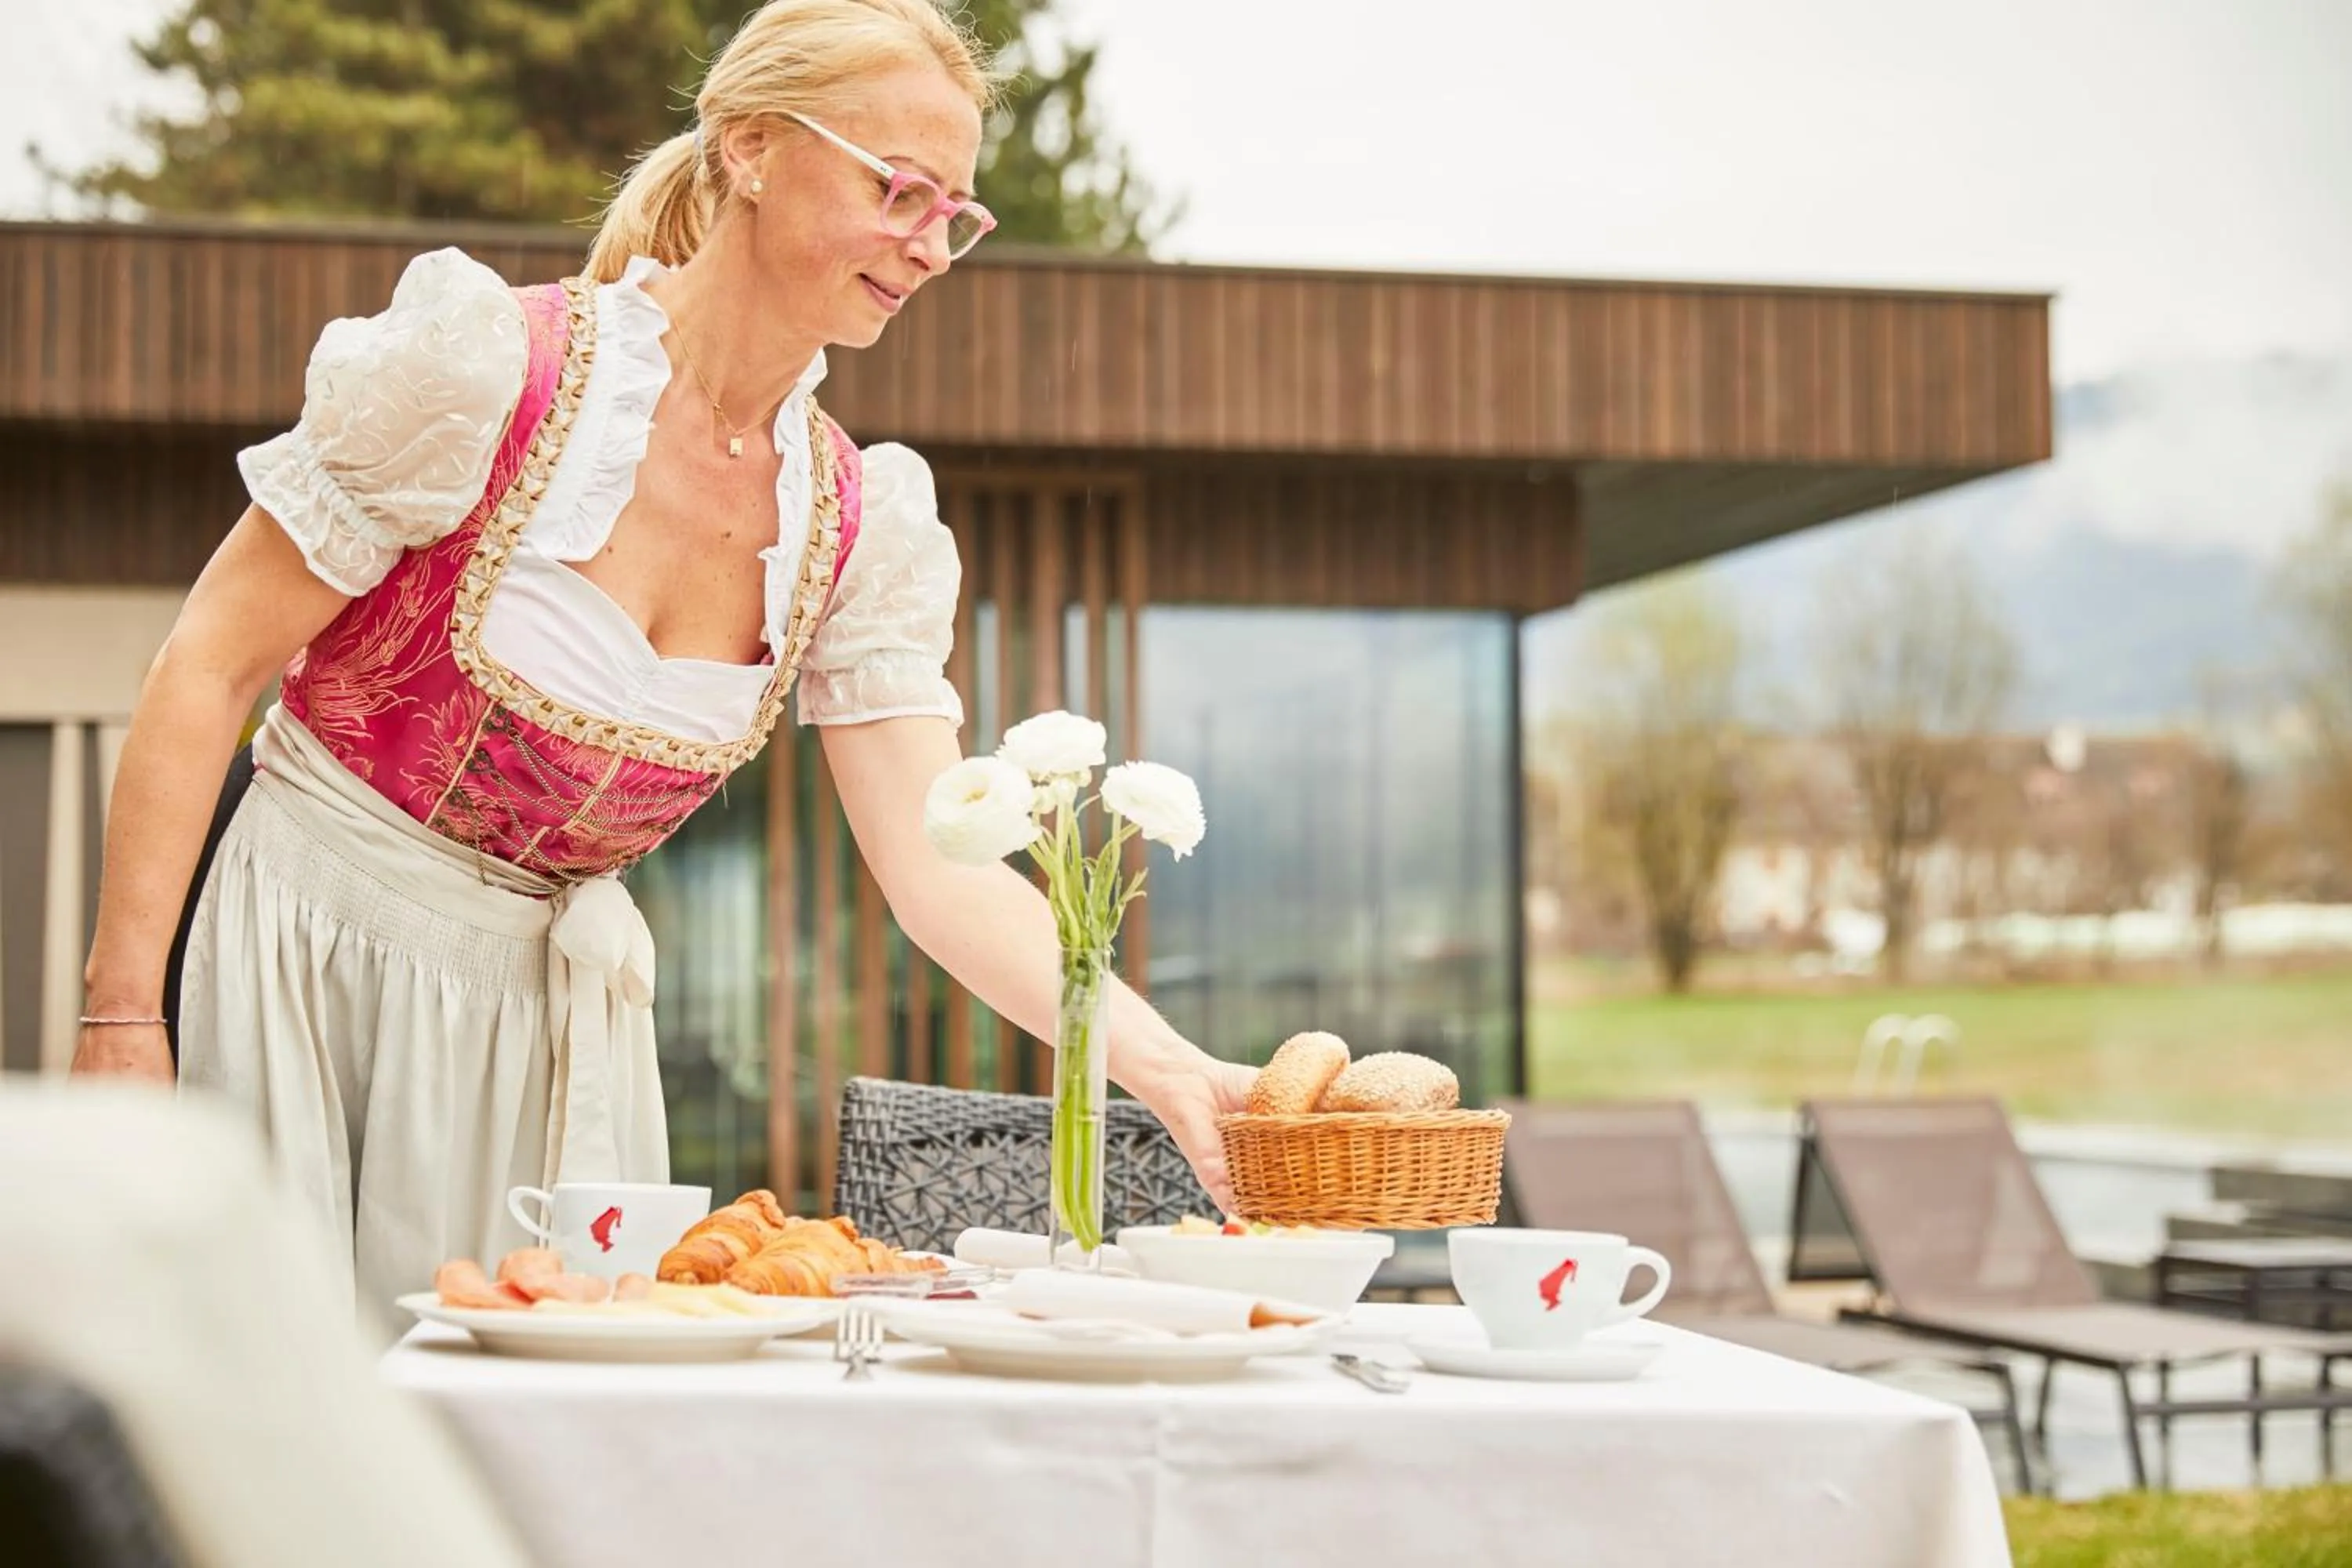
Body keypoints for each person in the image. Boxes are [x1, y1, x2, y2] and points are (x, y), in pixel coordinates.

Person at [68, 0, 1252, 1313]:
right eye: (898, 188)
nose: (930, 244)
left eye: (956, 212)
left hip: (557, 1025)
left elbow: (937, 874)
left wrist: (1164, 1064)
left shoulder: (857, 522)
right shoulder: (485, 368)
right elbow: (207, 668)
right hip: (310, 958)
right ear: (750, 148)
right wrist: (123, 1019)